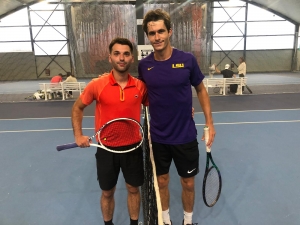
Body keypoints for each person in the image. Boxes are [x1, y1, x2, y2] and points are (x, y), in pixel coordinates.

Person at [139, 9, 216, 225]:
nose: (157, 37)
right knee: (162, 181)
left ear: (170, 31)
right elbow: (136, 91)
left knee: (188, 183)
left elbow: (201, 90)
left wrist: (209, 123)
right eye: (152, 33)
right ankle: (166, 221)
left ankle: (187, 221)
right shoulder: (145, 65)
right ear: (148, 35)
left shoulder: (187, 60)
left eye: (161, 31)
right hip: (158, 137)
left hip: (185, 136)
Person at [71, 37, 148, 225]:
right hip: (106, 149)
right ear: (110, 58)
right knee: (107, 192)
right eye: (117, 54)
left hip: (133, 148)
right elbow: (77, 108)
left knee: (133, 189)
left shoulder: (140, 86)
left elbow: (158, 106)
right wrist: (78, 135)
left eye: (126, 54)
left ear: (132, 58)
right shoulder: (98, 85)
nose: (121, 58)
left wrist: (183, 108)